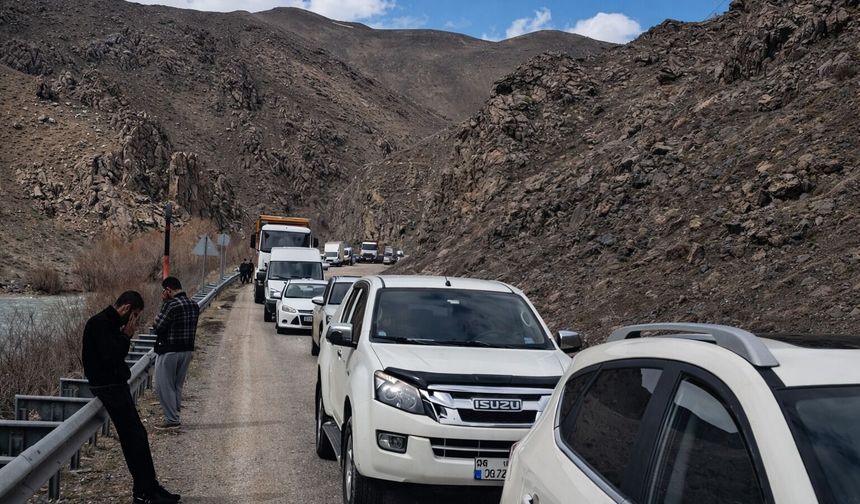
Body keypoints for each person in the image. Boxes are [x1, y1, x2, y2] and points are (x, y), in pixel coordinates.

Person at [82, 291, 180, 504]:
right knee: (134, 438)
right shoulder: (100, 323)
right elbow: (111, 357)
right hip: (108, 387)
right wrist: (126, 335)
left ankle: (150, 487)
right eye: (134, 314)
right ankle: (143, 492)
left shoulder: (108, 323)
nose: (133, 319)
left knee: (138, 436)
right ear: (126, 308)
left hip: (115, 385)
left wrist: (124, 335)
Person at [153, 277, 199, 429]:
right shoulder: (194, 305)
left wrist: (164, 303)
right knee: (177, 385)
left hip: (169, 351)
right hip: (187, 350)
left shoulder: (170, 305)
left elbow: (158, 326)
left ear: (168, 290)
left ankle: (172, 419)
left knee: (163, 385)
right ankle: (175, 414)